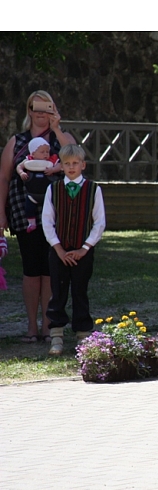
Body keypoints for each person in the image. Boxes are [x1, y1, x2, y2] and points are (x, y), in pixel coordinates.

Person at [0, 90, 76, 343]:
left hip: (58, 214)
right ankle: (32, 327)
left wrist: (57, 128)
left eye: (47, 108)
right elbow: (4, 178)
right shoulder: (17, 142)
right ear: (29, 110)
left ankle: (49, 326)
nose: (41, 114)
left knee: (52, 269)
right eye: (37, 108)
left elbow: (74, 158)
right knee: (32, 270)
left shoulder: (60, 139)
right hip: (24, 213)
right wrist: (1, 213)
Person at [42, 144, 106, 356]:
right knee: (57, 292)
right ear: (60, 165)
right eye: (67, 164)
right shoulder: (53, 189)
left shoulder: (94, 189)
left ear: (83, 165)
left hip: (83, 251)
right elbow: (48, 221)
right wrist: (58, 249)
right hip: (59, 250)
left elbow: (99, 222)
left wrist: (85, 248)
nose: (71, 167)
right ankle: (57, 336)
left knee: (80, 291)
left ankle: (83, 335)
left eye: (75, 163)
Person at [17, 137, 61, 233]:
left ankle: (53, 223)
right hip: (32, 194)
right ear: (33, 153)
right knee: (28, 207)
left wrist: (53, 170)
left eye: (47, 151)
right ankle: (31, 223)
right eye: (42, 152)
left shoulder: (51, 160)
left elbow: (60, 165)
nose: (46, 154)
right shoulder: (28, 160)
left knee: (52, 209)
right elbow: (19, 166)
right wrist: (21, 173)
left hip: (48, 194)